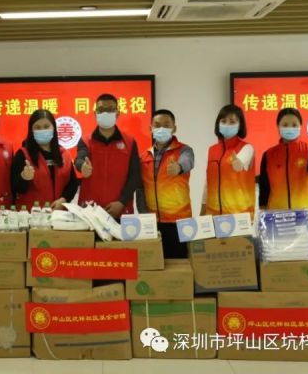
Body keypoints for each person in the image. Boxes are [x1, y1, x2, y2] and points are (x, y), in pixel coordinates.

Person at [137, 109, 194, 258]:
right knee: (155, 262)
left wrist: (179, 167)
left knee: (180, 263)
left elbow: (188, 161)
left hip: (179, 222)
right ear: (150, 128)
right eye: (157, 125)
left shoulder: (184, 150)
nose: (161, 128)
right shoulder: (144, 156)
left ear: (174, 128)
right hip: (153, 222)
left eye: (167, 125)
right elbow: (141, 189)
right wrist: (144, 216)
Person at [259, 107, 308, 234]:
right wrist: (262, 216)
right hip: (277, 219)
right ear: (278, 127)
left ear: (300, 126)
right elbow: (264, 187)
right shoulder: (268, 155)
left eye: (294, 125)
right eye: (285, 125)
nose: (290, 128)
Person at [75, 93, 141, 217]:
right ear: (95, 114)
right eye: (101, 110)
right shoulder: (85, 141)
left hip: (120, 209)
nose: (105, 113)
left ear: (117, 113)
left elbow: (135, 175)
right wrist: (82, 166)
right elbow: (79, 159)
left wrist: (122, 202)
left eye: (110, 109)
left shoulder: (130, 142)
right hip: (90, 210)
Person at [11, 109, 78, 209]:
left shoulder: (64, 154)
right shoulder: (23, 154)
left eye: (46, 126)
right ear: (31, 130)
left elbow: (73, 184)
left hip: (58, 214)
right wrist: (23, 178)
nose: (42, 130)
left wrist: (64, 199)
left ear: (53, 128)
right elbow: (14, 188)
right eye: (37, 127)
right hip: (31, 214)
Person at [201, 104, 256, 217]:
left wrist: (238, 163)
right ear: (218, 124)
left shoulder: (247, 148)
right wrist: (203, 209)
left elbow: (241, 162)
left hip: (238, 215)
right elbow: (208, 183)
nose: (227, 125)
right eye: (223, 121)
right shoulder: (212, 150)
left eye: (232, 122)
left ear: (240, 125)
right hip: (213, 214)